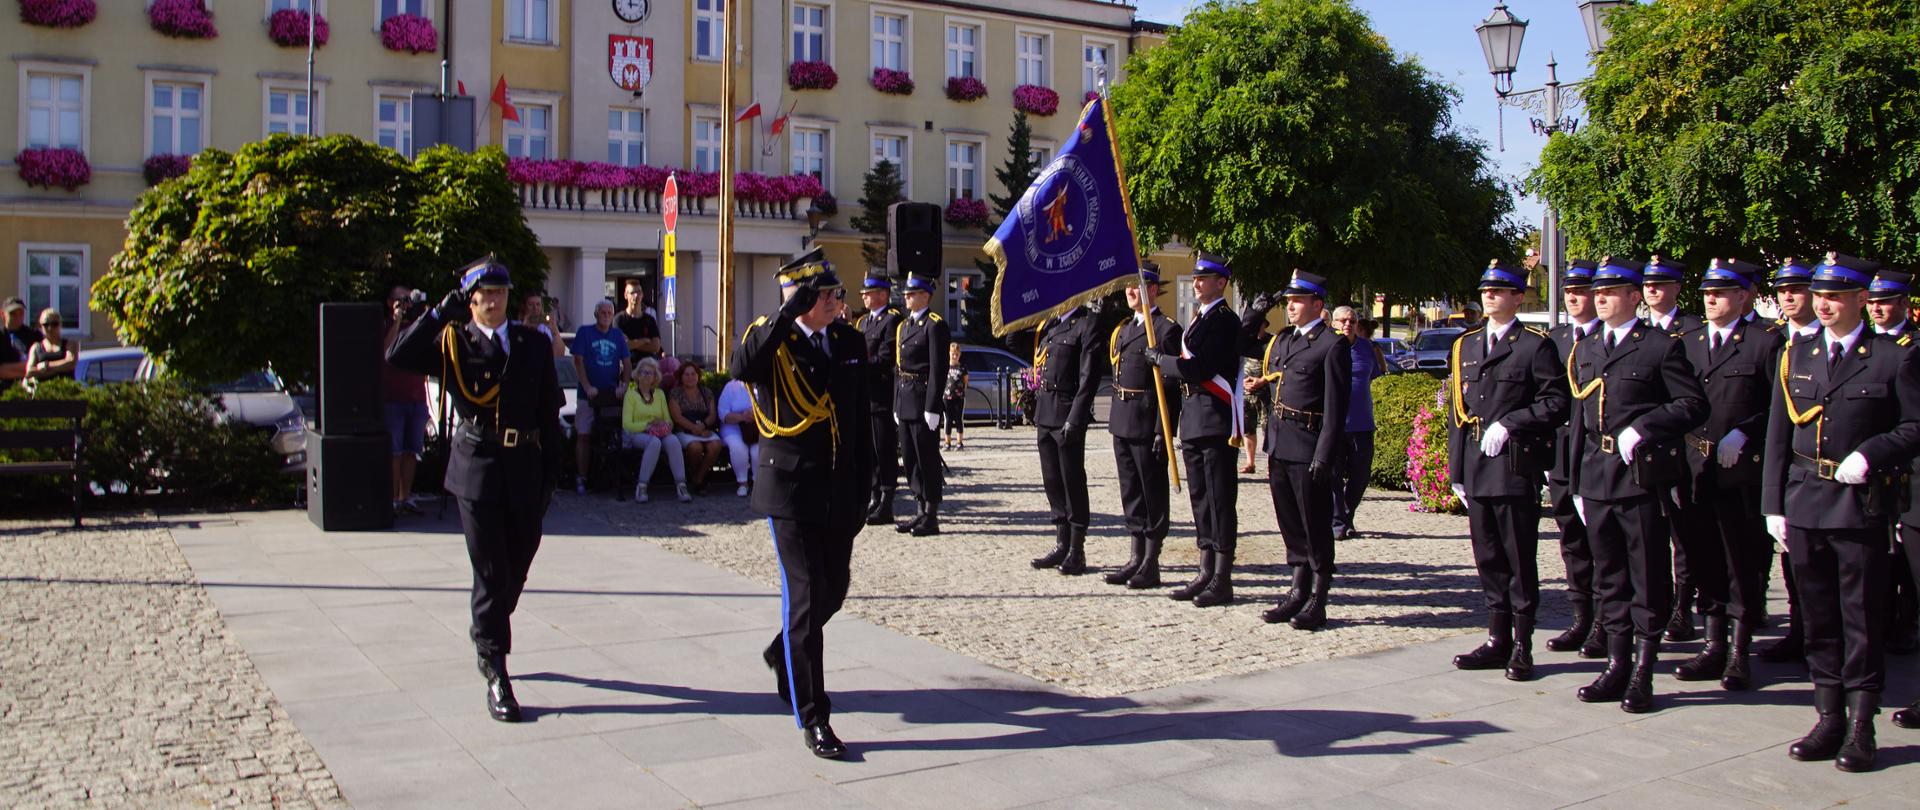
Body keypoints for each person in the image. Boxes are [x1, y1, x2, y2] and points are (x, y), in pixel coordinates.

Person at [385, 255, 564, 723]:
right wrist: (437, 313)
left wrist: (553, 475)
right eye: (485, 295)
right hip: (478, 467)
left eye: (501, 294)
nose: (494, 302)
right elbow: (398, 355)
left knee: (517, 566)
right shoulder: (452, 341)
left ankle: (487, 629)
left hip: (525, 465)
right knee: (489, 571)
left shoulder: (531, 342)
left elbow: (549, 411)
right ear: (471, 300)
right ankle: (496, 669)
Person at [1764, 253, 1920, 773]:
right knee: (1819, 617)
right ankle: (1827, 715)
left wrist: (1872, 454)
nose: (1823, 304)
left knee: (1862, 618)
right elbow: (1778, 435)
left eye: (1836, 296)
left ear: (1860, 299)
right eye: (1819, 295)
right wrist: (1773, 506)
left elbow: (1915, 425)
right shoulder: (1798, 353)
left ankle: (1861, 723)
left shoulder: (1890, 356)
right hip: (1805, 501)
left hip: (1858, 506)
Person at [737, 247, 872, 759]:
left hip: (839, 489)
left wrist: (869, 486)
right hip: (790, 491)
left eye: (838, 293)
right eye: (829, 294)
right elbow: (741, 368)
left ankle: (781, 651)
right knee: (807, 598)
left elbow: (859, 421)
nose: (838, 300)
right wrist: (787, 312)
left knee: (833, 590)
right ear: (805, 298)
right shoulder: (771, 339)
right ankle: (813, 714)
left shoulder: (849, 340)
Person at [1565, 256, 1708, 714]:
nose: (1599, 298)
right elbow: (1579, 422)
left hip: (1640, 477)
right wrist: (1575, 483)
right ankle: (1617, 664)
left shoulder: (1659, 347)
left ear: (1633, 297)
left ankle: (1644, 672)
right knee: (1609, 577)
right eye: (1597, 291)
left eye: (1611, 291)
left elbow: (1692, 404)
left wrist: (1646, 425)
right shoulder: (1585, 348)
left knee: (1647, 575)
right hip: (1597, 475)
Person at [1446, 260, 1571, 681]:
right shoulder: (1467, 344)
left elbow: (1557, 403)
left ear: (1519, 297)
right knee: (1488, 559)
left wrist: (1511, 423)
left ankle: (1522, 645)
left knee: (1519, 559)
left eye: (1499, 291)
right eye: (1485, 290)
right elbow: (1457, 414)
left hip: (1514, 465)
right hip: (1478, 465)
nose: (1490, 296)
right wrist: (1456, 470)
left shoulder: (1535, 346)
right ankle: (1496, 639)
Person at [1665, 258, 1784, 692]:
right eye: (1707, 293)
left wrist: (1745, 433)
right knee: (1702, 556)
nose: (1710, 300)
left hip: (1740, 471)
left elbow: (1779, 409)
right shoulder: (1688, 341)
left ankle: (1738, 651)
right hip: (1696, 467)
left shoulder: (1764, 342)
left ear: (1742, 296)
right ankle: (1712, 645)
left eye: (1720, 293)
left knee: (1742, 560)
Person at [1242, 270, 1351, 627]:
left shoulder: (1331, 345)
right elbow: (1242, 341)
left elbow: (1336, 408)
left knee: (1315, 524)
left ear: (1317, 304)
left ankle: (1318, 597)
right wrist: (1258, 311)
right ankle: (1297, 590)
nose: (1290, 305)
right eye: (1288, 300)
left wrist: (1325, 454)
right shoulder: (1284, 341)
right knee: (1289, 523)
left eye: (1298, 299)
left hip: (1309, 446)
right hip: (1280, 443)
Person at [1143, 254, 1243, 607]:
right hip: (1195, 418)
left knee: (1219, 499)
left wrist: (1163, 361)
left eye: (1206, 278)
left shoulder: (1225, 320)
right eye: (1196, 278)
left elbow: (1200, 368)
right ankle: (1204, 569)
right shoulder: (1199, 318)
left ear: (1221, 283)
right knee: (1200, 498)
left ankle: (1222, 576)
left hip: (1215, 419)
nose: (1197, 283)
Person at [1642, 255, 1710, 642]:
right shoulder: (1633, 331)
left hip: (1680, 446)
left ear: (1677, 288)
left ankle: (1683, 607)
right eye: (1649, 284)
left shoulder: (1692, 331)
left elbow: (1696, 394)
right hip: (1640, 450)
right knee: (1647, 532)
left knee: (1683, 533)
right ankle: (1655, 604)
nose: (1654, 290)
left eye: (1662, 284)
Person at [1104, 265, 1181, 589]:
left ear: (1153, 290)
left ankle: (1151, 560)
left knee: (1152, 493)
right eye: (1128, 286)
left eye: (1138, 286)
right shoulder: (1122, 329)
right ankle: (1135, 555)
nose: (1130, 292)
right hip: (1122, 418)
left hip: (1148, 421)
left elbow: (1173, 388)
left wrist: (1164, 432)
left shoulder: (1165, 329)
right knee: (1130, 491)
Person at [1545, 260, 1607, 658]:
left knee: (1605, 542)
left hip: (1600, 457)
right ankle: (1581, 615)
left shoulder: (1610, 339)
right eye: (1568, 291)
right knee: (1571, 540)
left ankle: (1606, 621)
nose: (1573, 297)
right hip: (1563, 455)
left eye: (1581, 291)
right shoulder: (1556, 339)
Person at [1760, 257, 1821, 665]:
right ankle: (1799, 631)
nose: (1788, 297)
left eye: (1796, 290)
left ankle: (1817, 636)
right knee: (1792, 560)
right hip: (1783, 469)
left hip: (1828, 473)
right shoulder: (1774, 342)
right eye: (1782, 291)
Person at [1027, 300, 1102, 575]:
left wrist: (1076, 416)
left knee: (1072, 481)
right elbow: (1013, 341)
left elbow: (1089, 377)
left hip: (1067, 412)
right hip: (1045, 413)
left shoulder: (1084, 324)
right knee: (1052, 481)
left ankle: (1077, 549)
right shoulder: (1050, 325)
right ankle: (1061, 542)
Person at [893, 275, 950, 536]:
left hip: (922, 398)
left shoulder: (934, 326)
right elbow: (899, 368)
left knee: (927, 458)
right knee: (910, 458)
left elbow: (939, 369)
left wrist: (933, 407)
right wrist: (896, 402)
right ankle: (918, 509)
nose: (906, 297)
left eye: (912, 294)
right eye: (906, 294)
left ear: (925, 296)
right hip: (905, 399)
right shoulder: (904, 326)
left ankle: (931, 513)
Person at [1331, 306, 1385, 540]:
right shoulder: (1327, 347)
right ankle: (1338, 522)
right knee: (1332, 476)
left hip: (1362, 423)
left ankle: (1346, 514)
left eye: (1351, 321)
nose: (1347, 324)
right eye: (1342, 320)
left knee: (1360, 476)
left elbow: (1375, 375)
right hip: (1333, 424)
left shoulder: (1366, 348)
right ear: (1333, 323)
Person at [571, 300, 632, 494]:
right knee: (584, 434)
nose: (606, 315)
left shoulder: (617, 336)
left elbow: (627, 363)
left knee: (615, 435)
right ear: (596, 314)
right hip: (587, 394)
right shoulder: (584, 332)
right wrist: (587, 386)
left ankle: (612, 476)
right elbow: (578, 362)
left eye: (609, 312)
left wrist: (624, 384)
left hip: (611, 393)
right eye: (603, 312)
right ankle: (582, 477)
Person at [857, 275, 904, 524]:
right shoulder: (864, 323)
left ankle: (887, 500)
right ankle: (874, 496)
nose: (863, 295)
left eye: (869, 292)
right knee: (870, 451)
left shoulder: (891, 320)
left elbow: (885, 358)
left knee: (884, 449)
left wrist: (857, 365)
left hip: (882, 396)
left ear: (883, 295)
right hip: (866, 396)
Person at [383, 286, 431, 515]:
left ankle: (406, 496)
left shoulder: (416, 325)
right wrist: (396, 320)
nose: (405, 304)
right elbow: (386, 351)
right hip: (393, 399)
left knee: (412, 449)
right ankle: (392, 498)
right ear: (390, 302)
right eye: (400, 300)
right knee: (394, 451)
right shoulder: (387, 326)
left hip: (417, 398)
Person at [622, 357, 688, 503]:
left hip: (659, 432)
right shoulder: (631, 395)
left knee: (673, 441)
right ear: (638, 375)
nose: (647, 376)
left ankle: (681, 484)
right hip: (638, 433)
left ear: (654, 377)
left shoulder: (659, 395)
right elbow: (627, 424)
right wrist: (648, 424)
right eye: (644, 373)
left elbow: (669, 420)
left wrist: (664, 424)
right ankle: (642, 485)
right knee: (654, 443)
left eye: (650, 373)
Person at [669, 361, 723, 494]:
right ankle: (699, 480)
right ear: (681, 377)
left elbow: (712, 414)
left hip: (704, 428)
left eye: (693, 374)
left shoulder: (706, 392)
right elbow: (677, 417)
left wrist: (703, 426)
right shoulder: (675, 393)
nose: (690, 377)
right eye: (686, 374)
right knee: (695, 447)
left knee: (715, 445)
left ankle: (698, 478)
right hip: (684, 429)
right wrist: (695, 429)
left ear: (698, 376)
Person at [717, 376, 759, 497]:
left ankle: (757, 483)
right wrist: (742, 417)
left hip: (757, 427)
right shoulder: (730, 387)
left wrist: (755, 415)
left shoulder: (764, 385)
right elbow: (723, 413)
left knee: (757, 449)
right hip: (733, 426)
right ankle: (742, 483)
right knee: (738, 446)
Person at [23, 308, 77, 382]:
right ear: (40, 326)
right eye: (46, 324)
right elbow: (30, 371)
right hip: (44, 391)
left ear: (60, 325)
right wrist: (60, 368)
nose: (50, 328)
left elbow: (70, 363)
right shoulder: (36, 347)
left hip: (66, 390)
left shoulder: (69, 344)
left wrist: (46, 366)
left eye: (54, 324)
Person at [615, 278, 663, 360]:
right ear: (626, 295)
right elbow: (624, 345)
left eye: (639, 292)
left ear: (642, 295)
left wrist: (633, 344)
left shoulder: (649, 320)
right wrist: (644, 341)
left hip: (647, 366)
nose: (636, 295)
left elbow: (656, 346)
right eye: (632, 292)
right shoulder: (619, 319)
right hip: (627, 366)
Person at [519, 292, 565, 359]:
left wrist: (555, 331)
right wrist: (524, 327)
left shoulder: (545, 328)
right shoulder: (515, 326)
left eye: (538, 304)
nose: (535, 308)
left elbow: (559, 355)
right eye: (531, 304)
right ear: (524, 307)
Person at [942, 343, 968, 451]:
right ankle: (947, 442)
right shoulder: (945, 367)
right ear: (949, 353)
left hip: (959, 398)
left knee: (958, 419)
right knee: (947, 420)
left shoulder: (962, 368)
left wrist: (962, 392)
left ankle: (959, 442)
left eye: (956, 354)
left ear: (959, 355)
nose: (954, 356)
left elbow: (966, 381)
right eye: (953, 354)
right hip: (947, 397)